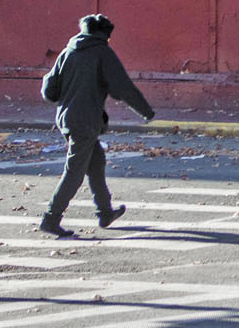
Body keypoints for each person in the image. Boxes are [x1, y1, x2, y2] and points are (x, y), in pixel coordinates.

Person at [38, 13, 155, 237]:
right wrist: (146, 111)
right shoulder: (102, 53)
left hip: (66, 117)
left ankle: (105, 212)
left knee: (96, 162)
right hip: (85, 120)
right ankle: (51, 218)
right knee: (74, 172)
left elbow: (49, 89)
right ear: (104, 35)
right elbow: (123, 87)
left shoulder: (68, 51)